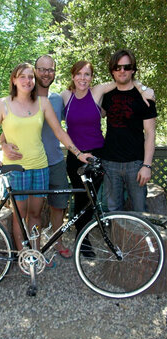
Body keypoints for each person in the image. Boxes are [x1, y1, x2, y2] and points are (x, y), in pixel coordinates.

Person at [0, 62, 91, 259]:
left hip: (40, 167)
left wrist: (78, 153)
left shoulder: (43, 103)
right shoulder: (2, 104)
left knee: (35, 214)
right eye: (22, 76)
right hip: (15, 169)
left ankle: (36, 254)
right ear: (14, 80)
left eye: (30, 77)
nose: (27, 80)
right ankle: (24, 256)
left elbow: (59, 131)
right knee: (20, 216)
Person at [61, 60, 154, 241]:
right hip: (75, 154)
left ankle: (99, 235)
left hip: (97, 154)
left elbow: (125, 79)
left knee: (93, 199)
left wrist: (144, 89)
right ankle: (82, 238)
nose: (82, 78)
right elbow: (49, 119)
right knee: (80, 196)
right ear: (72, 76)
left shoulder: (97, 91)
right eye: (78, 74)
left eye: (87, 74)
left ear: (91, 77)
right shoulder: (65, 96)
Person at [0, 55, 72, 259]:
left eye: (50, 69)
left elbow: (65, 127)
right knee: (25, 213)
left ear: (55, 72)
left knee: (58, 206)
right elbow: (4, 134)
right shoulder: (20, 99)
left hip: (55, 161)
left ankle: (56, 243)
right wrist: (4, 146)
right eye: (41, 69)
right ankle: (26, 254)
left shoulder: (58, 99)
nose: (46, 73)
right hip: (26, 164)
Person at [101, 49, 157, 212]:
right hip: (110, 163)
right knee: (112, 212)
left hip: (136, 164)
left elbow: (150, 133)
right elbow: (94, 117)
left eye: (126, 67)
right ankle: (117, 239)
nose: (122, 71)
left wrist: (147, 165)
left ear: (133, 69)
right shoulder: (108, 95)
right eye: (117, 67)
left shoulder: (145, 97)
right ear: (112, 70)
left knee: (139, 211)